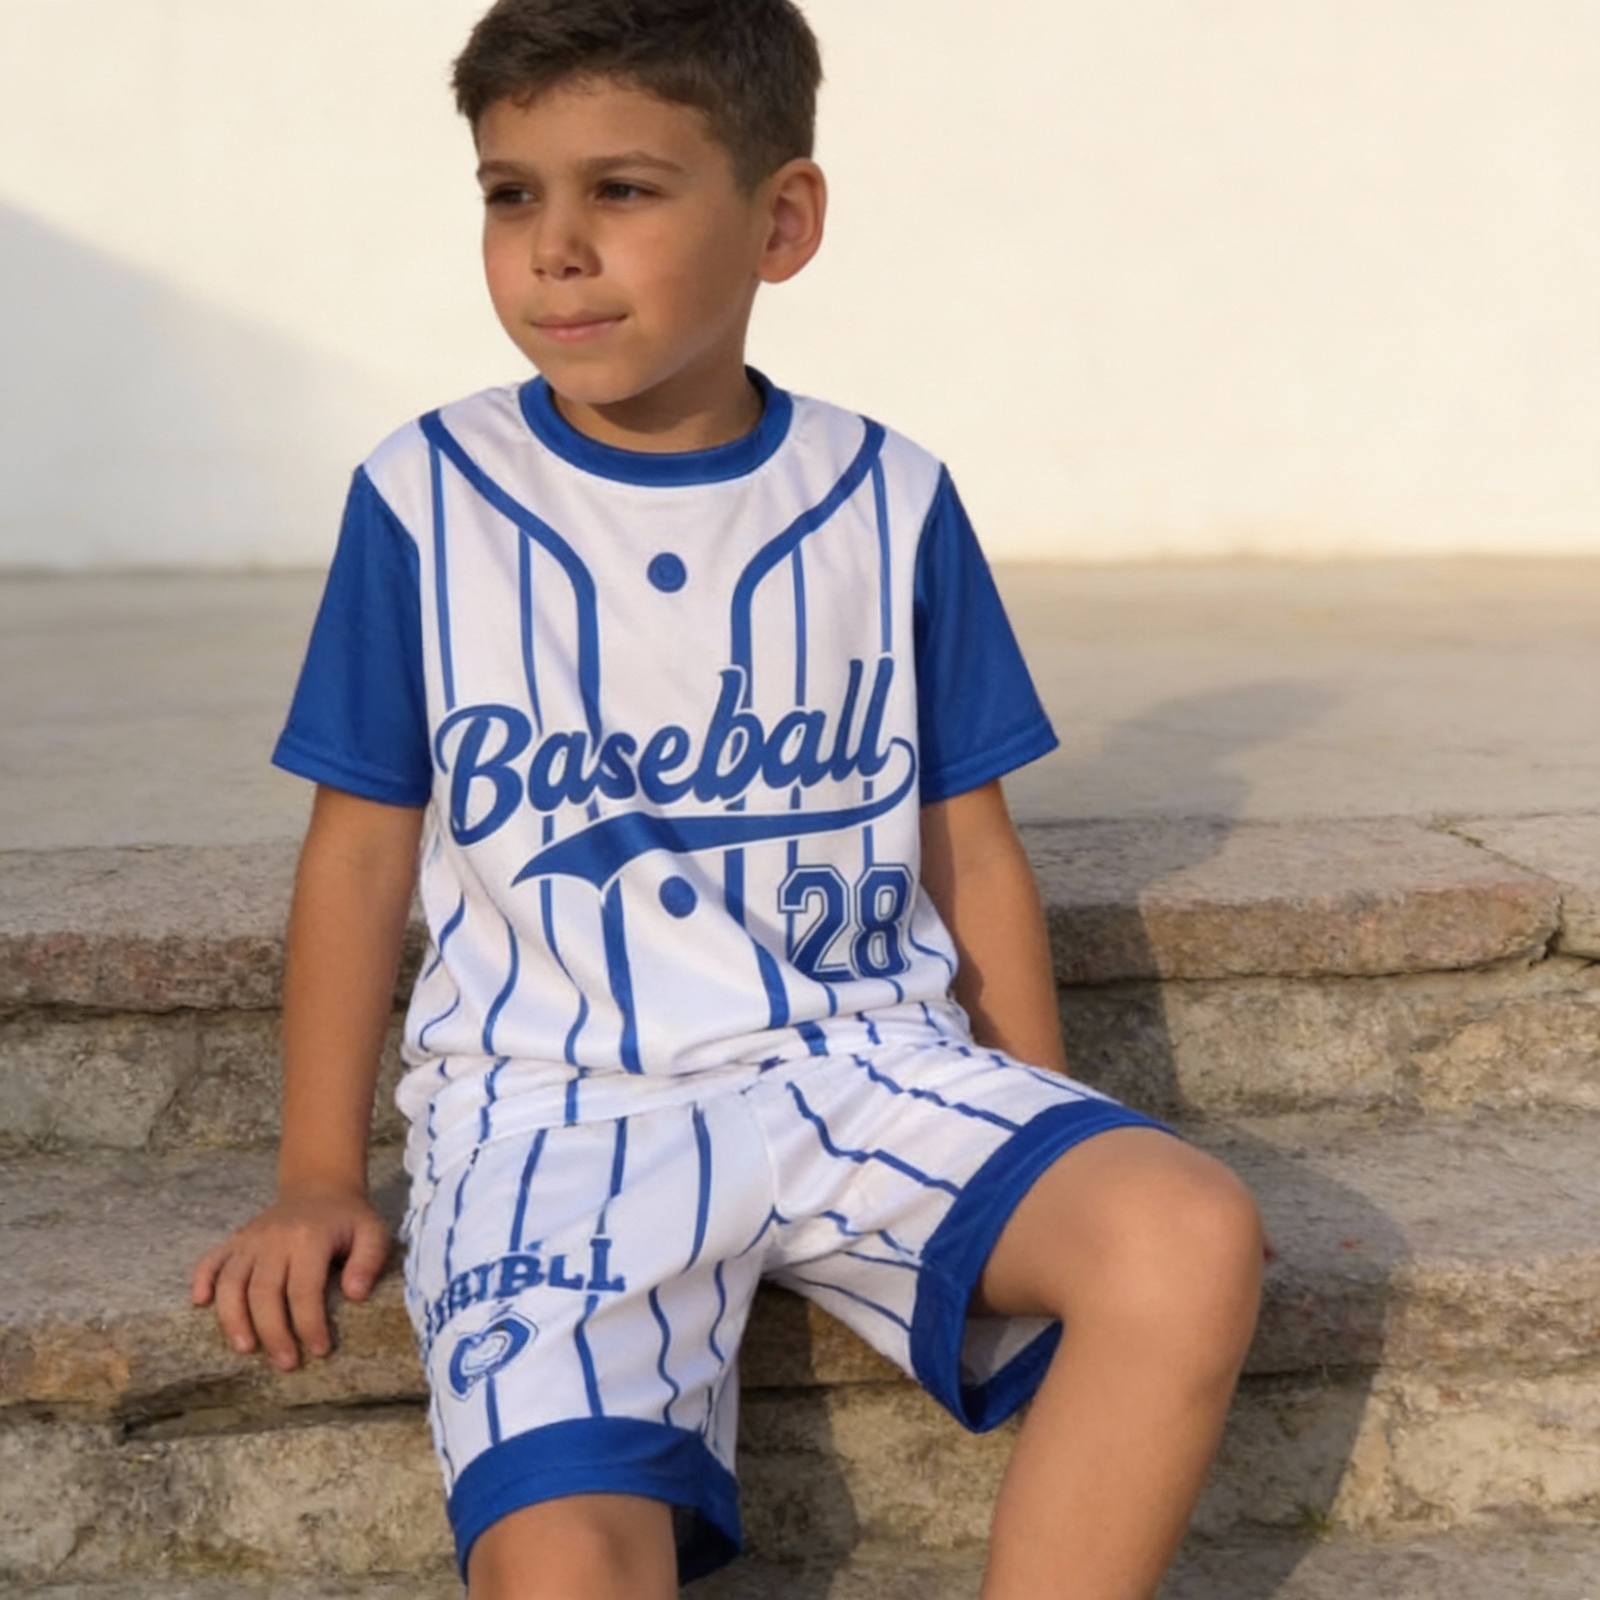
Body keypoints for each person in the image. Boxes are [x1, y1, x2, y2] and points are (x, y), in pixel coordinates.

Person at [190, 2, 1264, 1596]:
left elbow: (968, 847)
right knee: (566, 1566)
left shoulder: (887, 494)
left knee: (1184, 1229)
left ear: (781, 222)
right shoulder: (425, 497)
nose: (555, 247)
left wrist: (1043, 1117)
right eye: (510, 194)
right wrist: (317, 1175)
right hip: (556, 1112)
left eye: (621, 190)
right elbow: (357, 859)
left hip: (865, 1065)